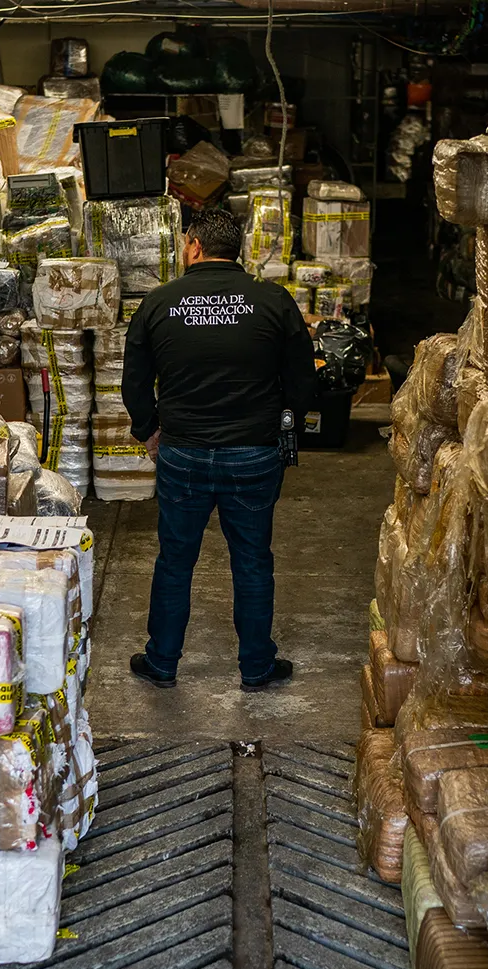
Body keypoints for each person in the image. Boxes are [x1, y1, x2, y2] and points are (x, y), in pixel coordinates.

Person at [121, 208, 317, 691]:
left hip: (182, 452)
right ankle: (256, 667)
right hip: (253, 452)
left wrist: (149, 430)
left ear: (192, 246)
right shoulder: (273, 301)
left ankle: (163, 662)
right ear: (239, 251)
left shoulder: (160, 303)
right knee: (252, 561)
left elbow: (134, 382)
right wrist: (281, 430)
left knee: (175, 560)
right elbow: (304, 384)